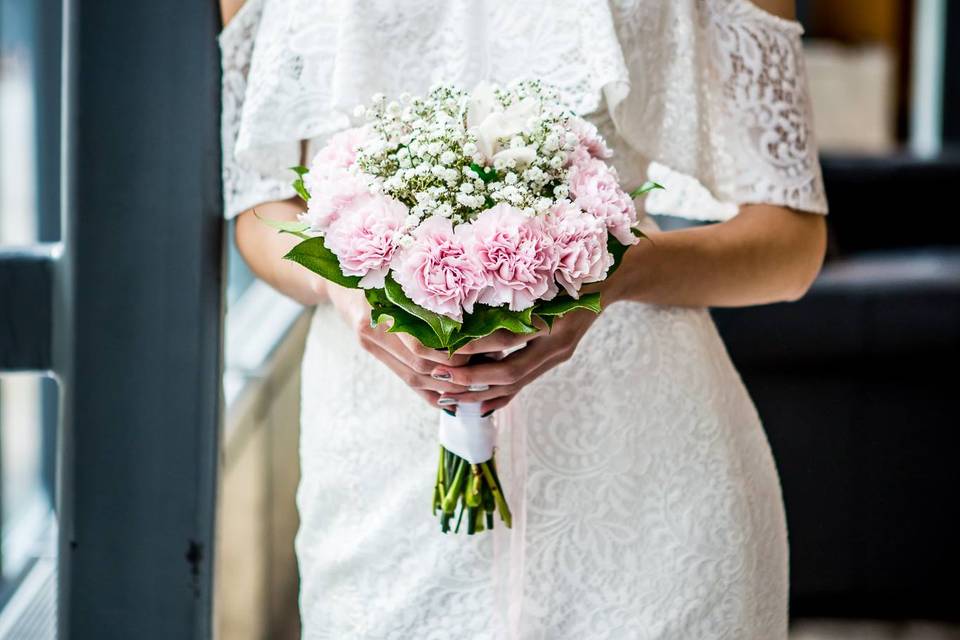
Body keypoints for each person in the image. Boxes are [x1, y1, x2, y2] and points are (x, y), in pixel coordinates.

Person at [220, 0, 827, 637]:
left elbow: (791, 244)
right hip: (381, 469)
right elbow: (259, 208)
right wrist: (347, 285)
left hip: (648, 474)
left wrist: (613, 272)